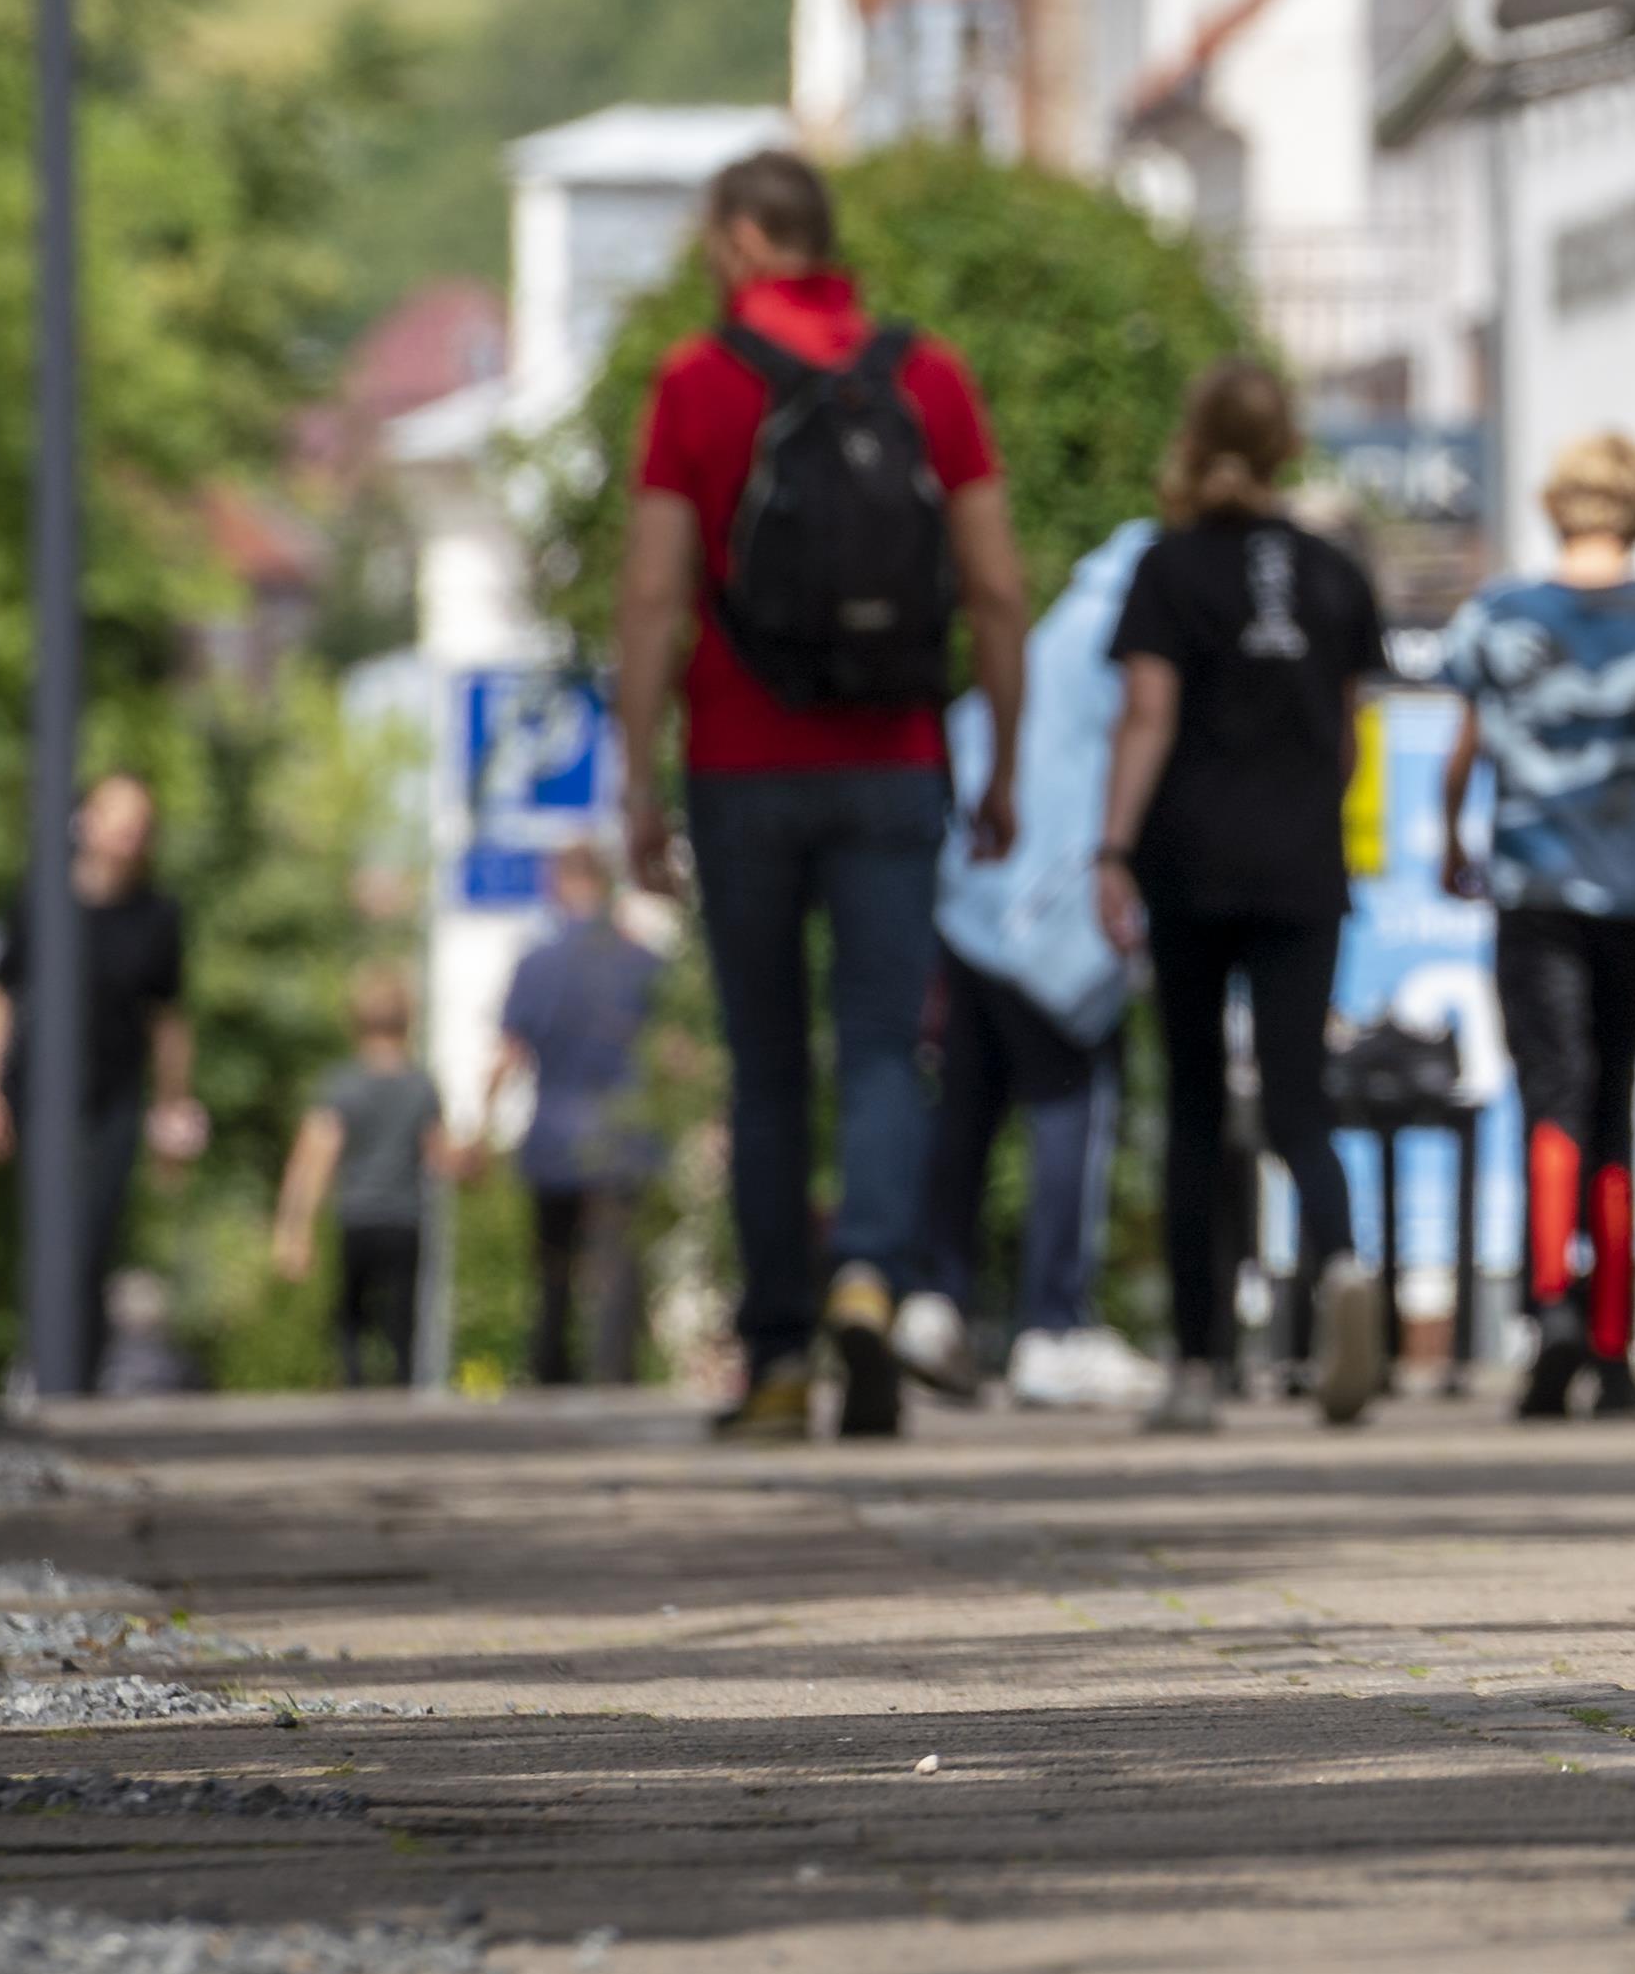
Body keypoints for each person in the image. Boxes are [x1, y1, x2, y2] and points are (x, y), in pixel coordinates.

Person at [610, 146, 1036, 1443]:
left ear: (740, 240)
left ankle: (781, 1350)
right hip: (894, 759)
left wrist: (637, 774)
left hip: (743, 766)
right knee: (881, 1046)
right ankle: (870, 1271)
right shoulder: (927, 375)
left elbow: (650, 595)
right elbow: (999, 583)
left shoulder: (696, 380)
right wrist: (1004, 757)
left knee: (766, 1061)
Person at [1097, 354, 1391, 1435]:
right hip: (1303, 863)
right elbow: (1351, 734)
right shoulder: (1333, 570)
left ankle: (1196, 1360)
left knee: (1191, 1109)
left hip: (1191, 860)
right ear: (1285, 447)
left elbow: (1147, 714)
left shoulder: (1166, 568)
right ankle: (1343, 1268)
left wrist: (1110, 848)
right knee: (1298, 1097)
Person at [1436, 428, 1635, 1418]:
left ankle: (1547, 1309)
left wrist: (1448, 841)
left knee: (1547, 1096)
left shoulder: (1497, 613)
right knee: (1612, 1104)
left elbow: (1464, 748)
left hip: (1533, 885)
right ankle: (1611, 1345)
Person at [923, 517, 1158, 1412]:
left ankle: (936, 1300)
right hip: (1060, 896)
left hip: (977, 884)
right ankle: (1052, 1323)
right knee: (1072, 1103)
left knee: (970, 1101)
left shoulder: (1076, 611)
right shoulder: (1151, 612)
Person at [0, 769, 205, 1395]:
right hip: (39, 1092)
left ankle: (78, 1381)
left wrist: (174, 1111)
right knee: (48, 1231)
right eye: (116, 818)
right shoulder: (41, 898)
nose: (127, 833)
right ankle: (42, 1367)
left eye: (139, 823)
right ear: (86, 822)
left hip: (116, 1096)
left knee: (94, 1233)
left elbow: (167, 1022)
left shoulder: (158, 915)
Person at [485, 839, 662, 1387]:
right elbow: (675, 1052)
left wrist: (477, 1130)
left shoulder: (536, 963)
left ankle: (550, 1374)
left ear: (556, 882)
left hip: (554, 1135)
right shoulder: (644, 962)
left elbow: (509, 1055)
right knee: (617, 1268)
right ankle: (613, 1376)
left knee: (553, 1268)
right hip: (625, 1133)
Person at [271, 965, 448, 1389]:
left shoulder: (342, 1086)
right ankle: (405, 1399)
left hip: (358, 1215)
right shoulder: (421, 1086)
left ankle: (355, 1393)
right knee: (404, 1322)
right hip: (406, 1218)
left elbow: (315, 1158)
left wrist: (295, 1227)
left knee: (351, 1319)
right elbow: (440, 1155)